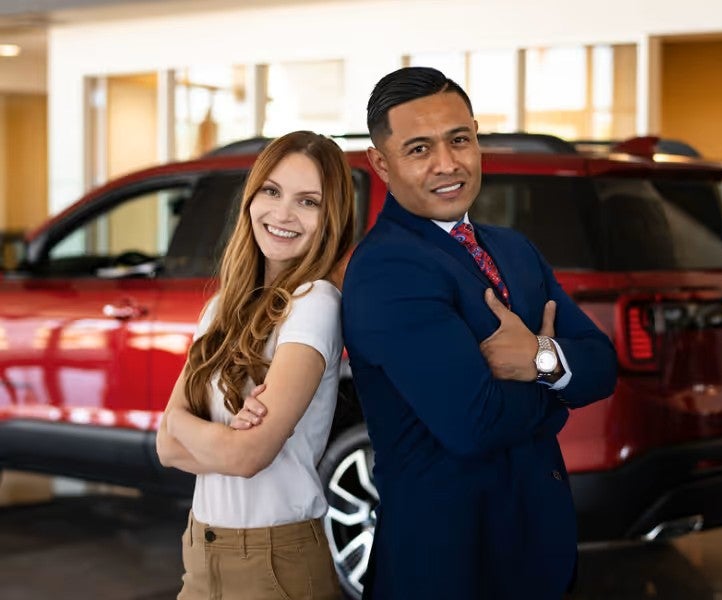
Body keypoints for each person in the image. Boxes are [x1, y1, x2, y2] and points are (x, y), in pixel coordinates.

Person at [341, 67, 618, 599]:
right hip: (451, 566)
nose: (448, 164)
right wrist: (558, 392)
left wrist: (538, 359)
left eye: (459, 140)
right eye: (419, 149)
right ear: (381, 163)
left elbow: (602, 365)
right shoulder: (387, 269)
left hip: (540, 550)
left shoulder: (513, 248)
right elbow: (476, 423)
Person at [156, 130, 354, 600]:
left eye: (308, 202)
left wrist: (198, 431)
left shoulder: (315, 303)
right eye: (272, 191)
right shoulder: (221, 307)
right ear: (251, 198)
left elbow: (248, 456)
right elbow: (166, 444)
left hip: (275, 563)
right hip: (201, 553)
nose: (283, 214)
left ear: (331, 218)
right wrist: (220, 437)